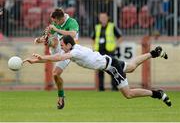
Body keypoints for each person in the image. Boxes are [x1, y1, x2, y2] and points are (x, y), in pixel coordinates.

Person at [24, 35, 172, 108]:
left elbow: (58, 57)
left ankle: (157, 93)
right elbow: (57, 55)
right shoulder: (74, 48)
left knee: (128, 94)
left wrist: (42, 57)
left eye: (63, 45)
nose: (61, 47)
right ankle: (154, 53)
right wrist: (37, 60)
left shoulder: (75, 52)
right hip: (109, 61)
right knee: (132, 67)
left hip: (111, 66)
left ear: (69, 45)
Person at [34, 8, 79, 109]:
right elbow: (50, 34)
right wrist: (40, 39)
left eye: (55, 21)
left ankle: (60, 97)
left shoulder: (72, 22)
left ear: (60, 19)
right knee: (52, 38)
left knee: (55, 73)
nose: (54, 23)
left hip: (69, 51)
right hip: (58, 48)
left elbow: (73, 34)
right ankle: (61, 96)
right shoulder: (55, 24)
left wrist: (56, 30)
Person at [91, 11, 122, 91]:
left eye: (104, 17)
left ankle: (114, 87)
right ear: (99, 19)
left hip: (110, 51)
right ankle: (101, 88)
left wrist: (115, 46)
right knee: (100, 70)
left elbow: (120, 37)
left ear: (108, 18)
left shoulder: (112, 26)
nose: (103, 19)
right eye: (101, 17)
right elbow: (93, 38)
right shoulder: (97, 27)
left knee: (112, 69)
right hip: (99, 51)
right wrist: (94, 48)